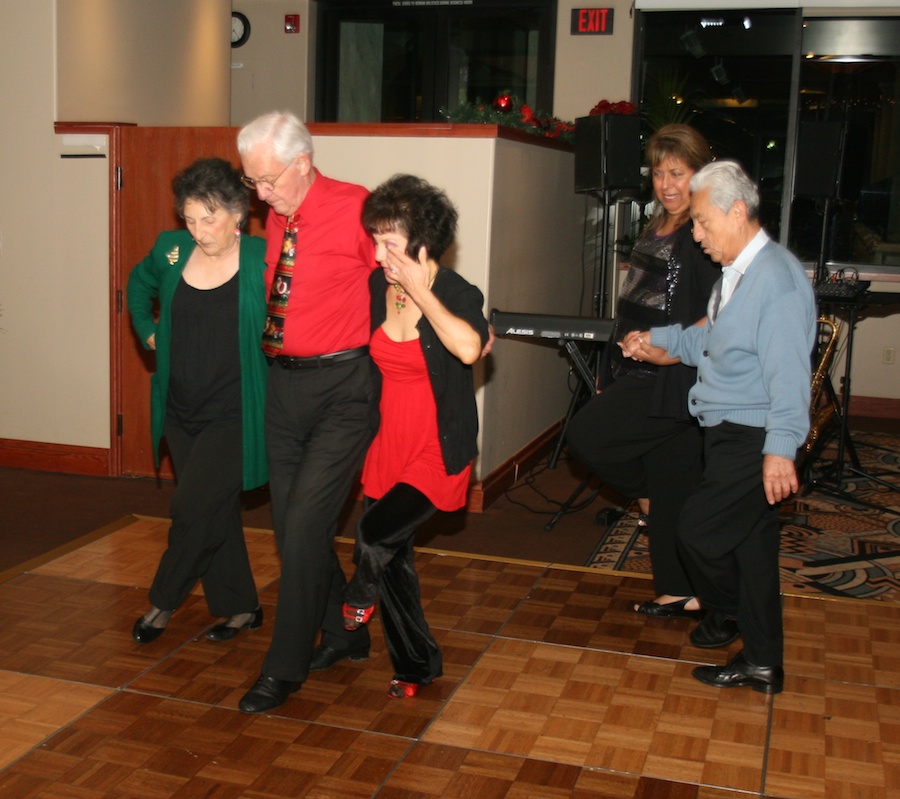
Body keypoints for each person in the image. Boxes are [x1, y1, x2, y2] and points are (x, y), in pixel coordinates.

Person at [622, 159, 816, 694]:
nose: (698, 235)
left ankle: (728, 614)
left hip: (752, 436)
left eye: (704, 222)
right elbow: (709, 343)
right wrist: (656, 338)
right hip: (730, 428)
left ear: (737, 211)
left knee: (698, 532)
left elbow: (790, 375)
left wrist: (780, 449)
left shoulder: (775, 279)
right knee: (752, 553)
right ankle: (762, 662)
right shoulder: (739, 274)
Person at [235, 111, 379, 714]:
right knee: (292, 526)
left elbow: (406, 276)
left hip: (345, 386)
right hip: (285, 386)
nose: (260, 195)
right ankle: (347, 628)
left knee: (305, 527)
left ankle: (284, 667)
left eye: (268, 180)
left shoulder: (356, 207)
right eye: (252, 183)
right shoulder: (276, 215)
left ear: (302, 163)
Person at [340, 174, 490, 699]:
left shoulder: (455, 292)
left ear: (424, 242)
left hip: (436, 446)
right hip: (388, 442)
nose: (379, 253)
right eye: (375, 240)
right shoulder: (375, 285)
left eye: (390, 243)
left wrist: (422, 293)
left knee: (374, 534)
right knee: (395, 559)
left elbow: (470, 349)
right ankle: (415, 665)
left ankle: (358, 592)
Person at [565, 124, 719, 619]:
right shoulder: (658, 225)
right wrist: (615, 360)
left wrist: (674, 350)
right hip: (638, 368)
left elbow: (720, 311)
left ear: (701, 173)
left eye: (678, 172)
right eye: (658, 173)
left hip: (676, 375)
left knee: (587, 435)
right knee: (671, 479)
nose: (667, 183)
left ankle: (653, 507)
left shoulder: (704, 232)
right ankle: (681, 589)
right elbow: (634, 304)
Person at [127, 157, 268, 644]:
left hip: (235, 413)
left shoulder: (261, 258)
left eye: (208, 218)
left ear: (238, 213)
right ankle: (241, 607)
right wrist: (148, 331)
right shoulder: (171, 251)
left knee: (191, 507)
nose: (198, 230)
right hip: (182, 411)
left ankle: (162, 602)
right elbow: (139, 282)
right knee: (214, 510)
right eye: (189, 218)